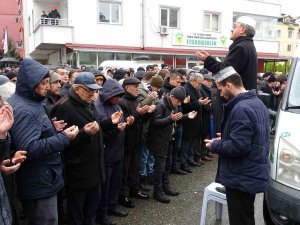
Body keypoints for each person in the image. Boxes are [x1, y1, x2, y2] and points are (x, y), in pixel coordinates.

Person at [8, 58, 79, 225]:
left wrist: (51, 127)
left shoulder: (30, 101)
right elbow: (29, 148)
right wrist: (64, 138)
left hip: (43, 177)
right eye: (44, 83)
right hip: (39, 181)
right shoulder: (25, 109)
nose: (48, 87)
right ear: (31, 83)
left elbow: (31, 131)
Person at [52, 72, 122, 225]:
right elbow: (61, 142)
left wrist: (110, 122)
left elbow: (95, 126)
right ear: (77, 89)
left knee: (91, 210)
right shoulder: (64, 106)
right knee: (76, 213)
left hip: (95, 167)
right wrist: (84, 133)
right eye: (89, 90)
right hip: (77, 171)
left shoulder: (88, 102)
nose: (93, 93)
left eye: (95, 90)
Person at [204, 66, 270, 225]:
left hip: (241, 175)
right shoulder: (256, 103)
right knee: (246, 216)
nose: (220, 94)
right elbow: (251, 136)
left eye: (220, 89)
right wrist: (226, 136)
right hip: (249, 173)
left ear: (229, 85)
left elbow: (239, 147)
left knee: (240, 219)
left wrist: (216, 145)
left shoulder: (242, 108)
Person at [148, 86, 197, 203]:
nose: (179, 104)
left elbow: (176, 118)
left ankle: (166, 187)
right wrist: (170, 119)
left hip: (169, 139)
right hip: (159, 141)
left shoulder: (173, 104)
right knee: (160, 168)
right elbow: (155, 122)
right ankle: (157, 192)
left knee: (167, 165)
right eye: (178, 101)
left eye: (180, 102)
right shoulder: (161, 105)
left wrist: (186, 117)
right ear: (172, 96)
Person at [95, 79, 127, 225]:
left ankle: (112, 206)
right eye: (116, 96)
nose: (118, 99)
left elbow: (120, 121)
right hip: (106, 154)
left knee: (115, 183)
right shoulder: (98, 107)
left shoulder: (116, 105)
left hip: (118, 152)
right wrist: (116, 130)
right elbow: (99, 133)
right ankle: (102, 214)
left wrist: (127, 122)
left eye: (120, 95)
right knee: (105, 186)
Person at [197, 16, 257, 91]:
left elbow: (225, 72)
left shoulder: (241, 47)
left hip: (239, 97)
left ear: (243, 29)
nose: (231, 29)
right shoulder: (247, 45)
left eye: (234, 27)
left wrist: (208, 60)